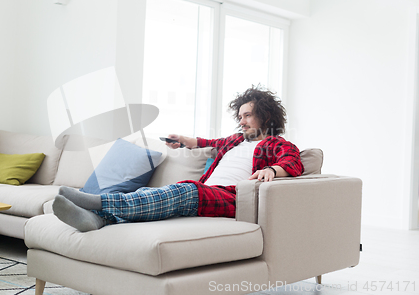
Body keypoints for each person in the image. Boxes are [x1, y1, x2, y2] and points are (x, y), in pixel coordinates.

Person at [53, 85, 304, 232]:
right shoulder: (234, 140)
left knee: (186, 190)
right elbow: (208, 144)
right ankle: (98, 219)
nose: (241, 121)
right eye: (240, 116)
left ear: (266, 116)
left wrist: (273, 170)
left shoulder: (277, 144)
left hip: (232, 198)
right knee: (162, 198)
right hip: (207, 192)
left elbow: (292, 162)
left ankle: (97, 202)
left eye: (247, 115)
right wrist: (182, 140)